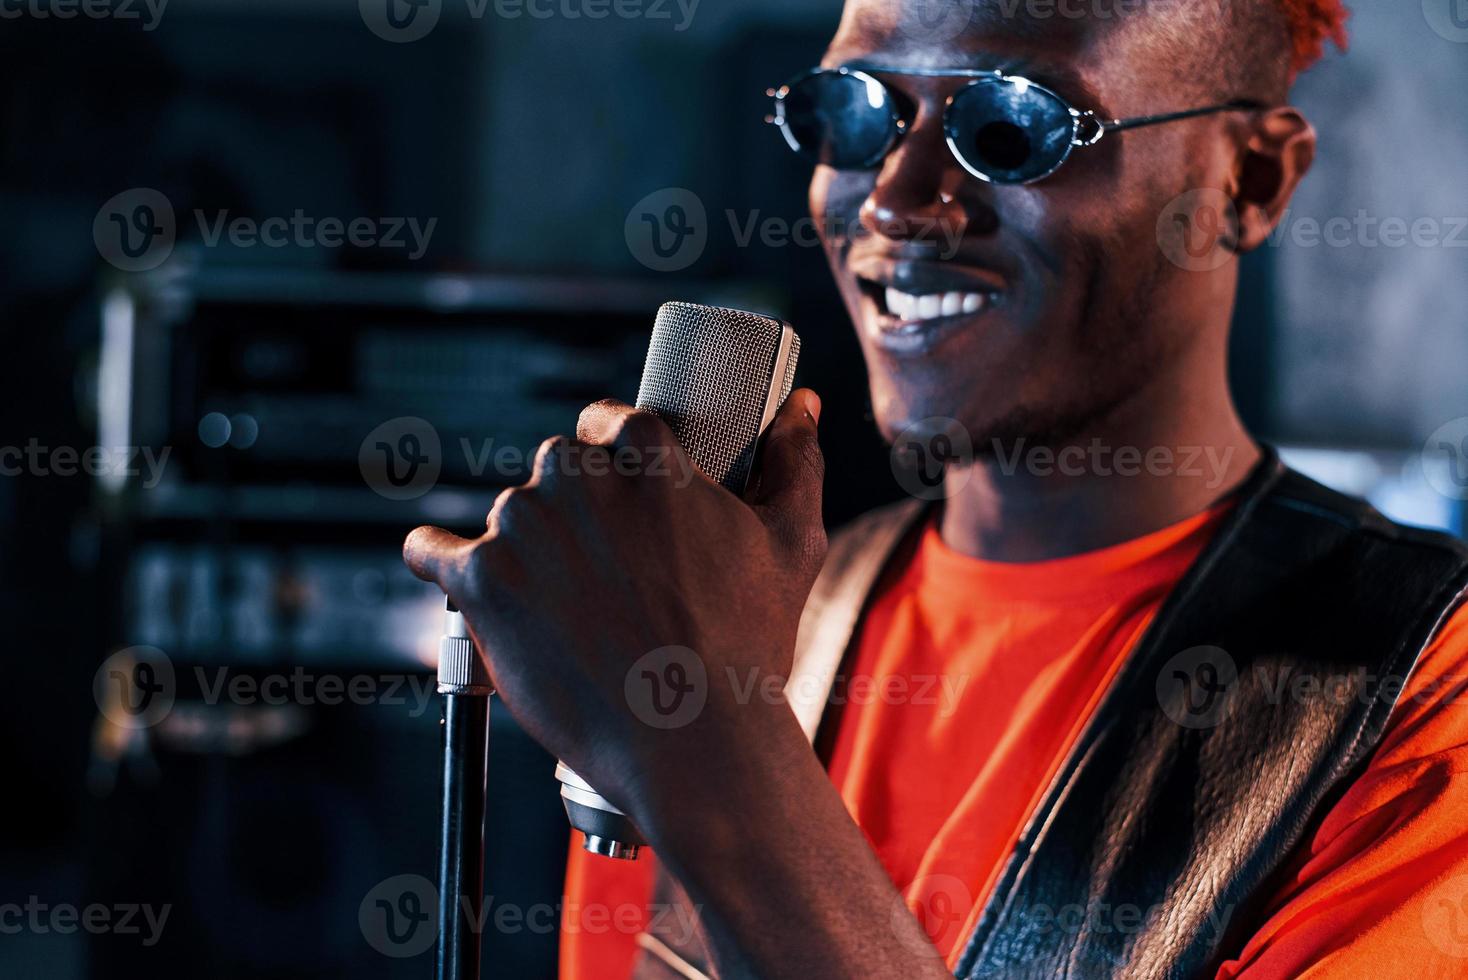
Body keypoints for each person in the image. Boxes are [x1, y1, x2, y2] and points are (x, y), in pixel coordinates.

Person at [404, 1, 1468, 976]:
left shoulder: (1426, 690)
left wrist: (701, 744)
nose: (897, 200)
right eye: (851, 112)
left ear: (1249, 181)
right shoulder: (734, 616)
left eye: (1013, 124)